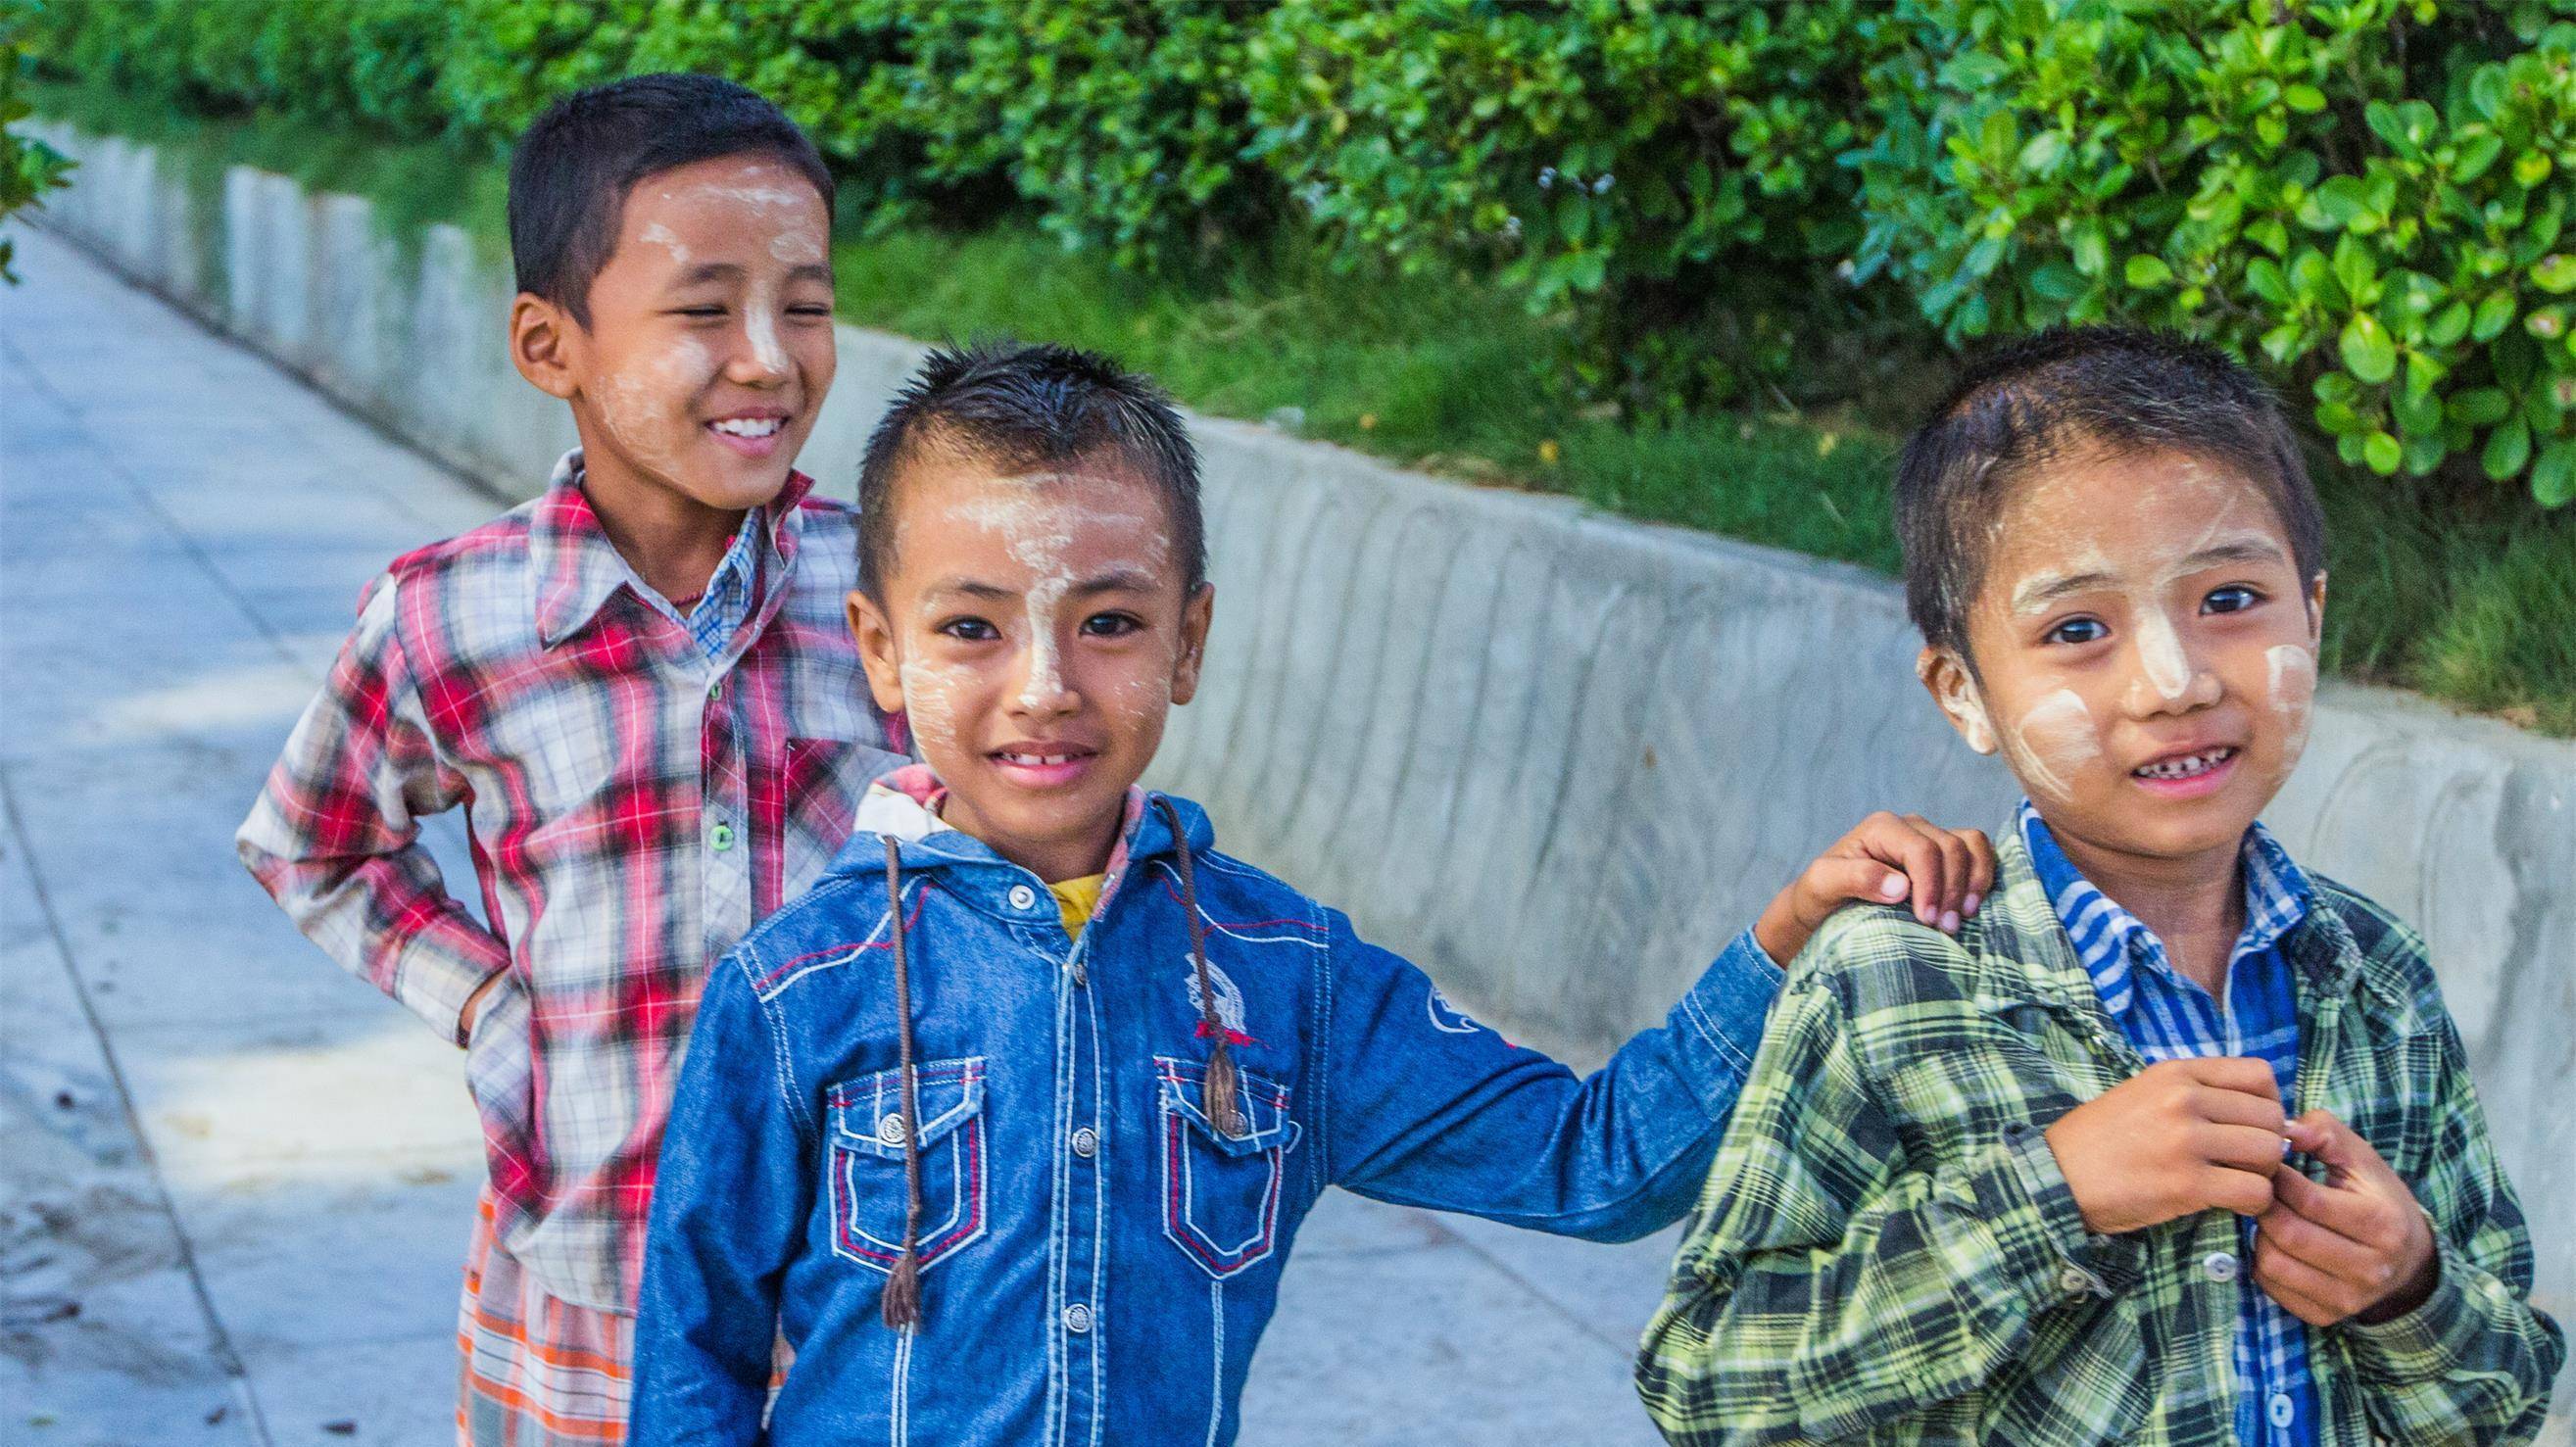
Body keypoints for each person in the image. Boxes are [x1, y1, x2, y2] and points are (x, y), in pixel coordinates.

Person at [627, 340, 2000, 1443]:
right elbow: (694, 1358)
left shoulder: (1283, 976)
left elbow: (1599, 1163)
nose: (1043, 684)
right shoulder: (798, 989)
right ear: (879, 647)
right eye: (971, 627)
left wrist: (1787, 938)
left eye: (1108, 622)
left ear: (1189, 642)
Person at [1635, 326, 2564, 1446]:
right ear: (1961, 692)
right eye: (2077, 628)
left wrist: (2411, 1290)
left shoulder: (2377, 979)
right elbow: (1705, 1379)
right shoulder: (1891, 980)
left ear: (2311, 615)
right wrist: (2053, 1194)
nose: (2173, 682)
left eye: (2229, 599)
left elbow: (2506, 1398)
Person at [235, 73, 903, 1442]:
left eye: (809, 304)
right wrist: (493, 1008)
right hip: (596, 1266)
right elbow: (313, 842)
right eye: (706, 310)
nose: (771, 357)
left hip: (874, 1269)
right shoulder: (448, 618)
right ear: (552, 345)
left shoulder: (888, 591)